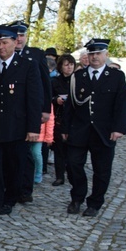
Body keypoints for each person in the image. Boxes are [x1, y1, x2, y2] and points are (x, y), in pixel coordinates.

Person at [0, 24, 43, 226]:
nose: (1, 47)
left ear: (15, 43)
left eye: (5, 42)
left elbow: (34, 98)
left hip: (17, 128)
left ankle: (10, 198)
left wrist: (33, 128)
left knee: (14, 167)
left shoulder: (27, 66)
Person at [62, 38, 126, 217]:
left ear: (106, 55)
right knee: (74, 164)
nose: (95, 57)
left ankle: (95, 202)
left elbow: (121, 104)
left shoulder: (116, 76)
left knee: (102, 170)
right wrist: (65, 128)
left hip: (104, 131)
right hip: (79, 129)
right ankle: (77, 197)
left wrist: (119, 128)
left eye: (98, 53)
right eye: (91, 53)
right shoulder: (78, 76)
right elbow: (70, 105)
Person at [8, 20, 52, 204]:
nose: (19, 39)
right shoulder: (2, 54)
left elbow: (45, 84)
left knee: (27, 154)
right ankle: (9, 186)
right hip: (9, 112)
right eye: (16, 35)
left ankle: (25, 189)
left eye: (22, 35)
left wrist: (45, 109)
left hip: (28, 111)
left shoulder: (35, 54)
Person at [50, 54, 76, 186]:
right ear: (61, 66)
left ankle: (72, 172)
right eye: (66, 65)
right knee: (59, 149)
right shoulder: (54, 81)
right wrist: (56, 100)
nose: (69, 67)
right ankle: (59, 176)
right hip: (59, 117)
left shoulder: (77, 80)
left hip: (74, 119)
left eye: (71, 64)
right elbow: (48, 97)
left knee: (73, 149)